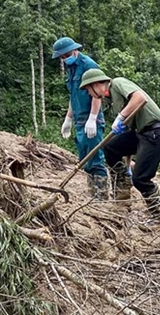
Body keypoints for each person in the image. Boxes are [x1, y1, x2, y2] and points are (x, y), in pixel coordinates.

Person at [80, 68, 160, 225]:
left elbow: (139, 97)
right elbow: (128, 133)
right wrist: (127, 167)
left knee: (141, 179)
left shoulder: (117, 83)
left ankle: (158, 218)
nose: (90, 94)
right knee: (111, 146)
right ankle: (123, 188)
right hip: (141, 134)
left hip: (156, 133)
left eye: (89, 90)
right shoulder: (114, 100)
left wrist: (121, 117)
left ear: (95, 84)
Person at [52, 37, 108, 199]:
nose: (64, 59)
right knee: (85, 160)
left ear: (74, 50)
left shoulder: (88, 65)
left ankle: (101, 197)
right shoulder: (71, 68)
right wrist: (68, 119)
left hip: (92, 120)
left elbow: (98, 93)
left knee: (95, 158)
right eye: (62, 57)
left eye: (66, 55)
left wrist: (93, 118)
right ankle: (92, 195)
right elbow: (73, 95)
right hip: (79, 120)